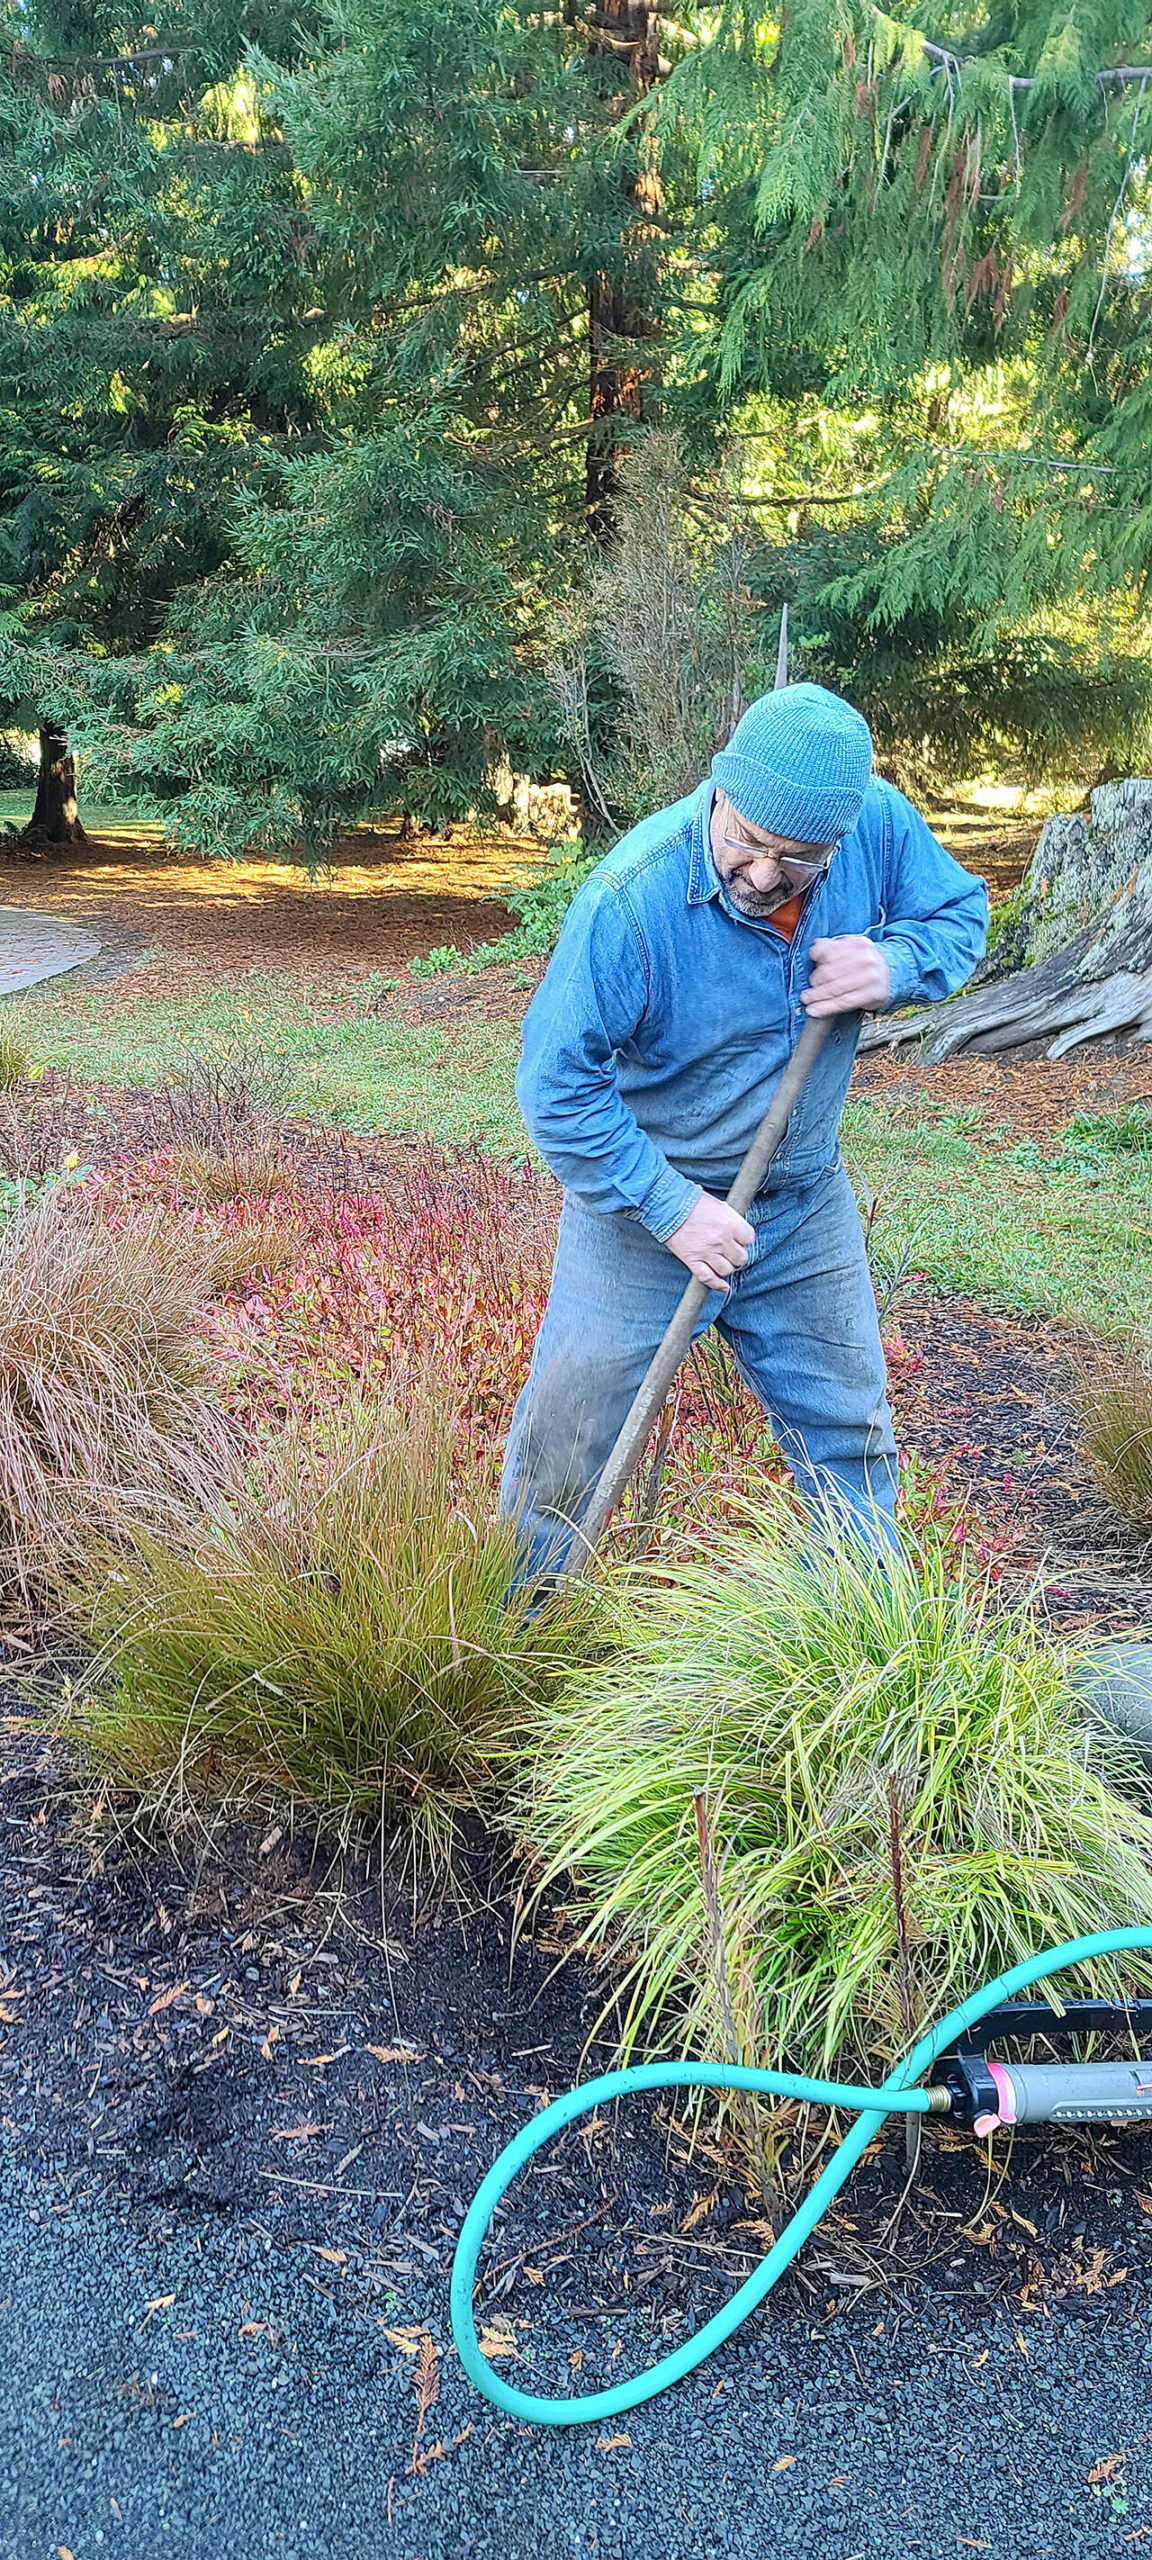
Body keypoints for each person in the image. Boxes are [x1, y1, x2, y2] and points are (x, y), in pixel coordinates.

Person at [500, 681, 988, 1574]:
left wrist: (897, 963)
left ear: (839, 838)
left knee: (850, 1436)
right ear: (719, 789)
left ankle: (862, 1649)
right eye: (749, 843)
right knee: (567, 1452)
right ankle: (513, 1646)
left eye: (798, 860)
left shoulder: (874, 823)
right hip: (643, 1219)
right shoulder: (631, 901)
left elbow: (960, 917)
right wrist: (673, 1210)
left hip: (799, 1206)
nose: (764, 876)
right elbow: (555, 1088)